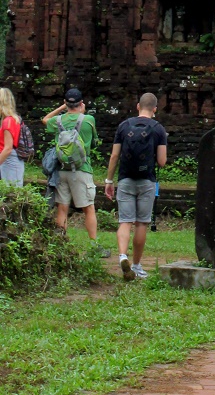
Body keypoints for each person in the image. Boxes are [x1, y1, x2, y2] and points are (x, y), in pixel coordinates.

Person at [105, 93, 168, 280]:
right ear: (155, 109)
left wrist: (109, 181)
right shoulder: (158, 129)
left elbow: (114, 156)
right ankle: (137, 265)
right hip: (147, 181)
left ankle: (122, 255)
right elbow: (162, 162)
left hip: (125, 179)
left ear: (138, 106)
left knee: (125, 221)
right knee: (141, 223)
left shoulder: (124, 126)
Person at [42, 89, 110, 256]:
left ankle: (60, 245)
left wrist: (62, 108)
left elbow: (45, 120)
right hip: (81, 170)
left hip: (61, 170)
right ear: (81, 103)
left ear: (66, 103)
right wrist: (82, 112)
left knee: (62, 208)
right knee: (88, 208)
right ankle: (94, 246)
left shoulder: (58, 121)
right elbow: (94, 144)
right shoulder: (88, 120)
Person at [0, 88, 25, 187]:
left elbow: (8, 148)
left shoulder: (8, 122)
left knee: (12, 192)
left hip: (9, 159)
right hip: (9, 159)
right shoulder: (14, 119)